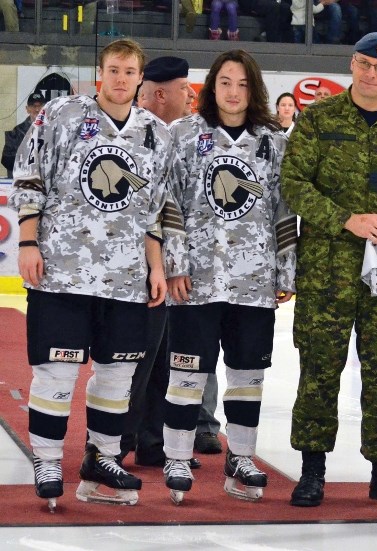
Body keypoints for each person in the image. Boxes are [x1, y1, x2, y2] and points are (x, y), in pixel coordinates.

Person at [10, 38, 172, 510]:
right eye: (114, 69)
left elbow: (155, 210)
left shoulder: (155, 135)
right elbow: (29, 178)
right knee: (56, 372)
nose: (121, 79)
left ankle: (102, 459)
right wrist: (26, 241)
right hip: (62, 270)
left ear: (141, 77)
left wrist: (156, 266)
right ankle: (47, 459)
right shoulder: (62, 115)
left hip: (126, 276)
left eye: (129, 71)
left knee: (117, 375)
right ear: (101, 72)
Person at [281, 32, 377, 508]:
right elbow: (293, 183)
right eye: (364, 64)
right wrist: (343, 219)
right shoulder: (319, 119)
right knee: (319, 370)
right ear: (352, 65)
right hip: (326, 270)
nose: (372, 74)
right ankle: (311, 471)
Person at [160, 49, 296, 505]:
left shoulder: (273, 141)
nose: (233, 92)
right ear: (211, 87)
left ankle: (241, 456)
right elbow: (169, 202)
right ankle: (177, 457)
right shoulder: (183, 135)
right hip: (196, 280)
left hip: (253, 280)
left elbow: (284, 208)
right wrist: (175, 263)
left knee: (246, 374)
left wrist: (286, 269)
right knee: (187, 374)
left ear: (253, 89)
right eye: (225, 82)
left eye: (242, 84)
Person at [114, 56, 207, 469]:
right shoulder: (131, 134)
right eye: (185, 89)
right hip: (135, 266)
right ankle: (113, 440)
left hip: (179, 268)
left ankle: (153, 440)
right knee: (130, 359)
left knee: (168, 359)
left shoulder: (190, 136)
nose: (192, 97)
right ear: (160, 94)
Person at [2, 92, 45, 177]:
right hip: (23, 180)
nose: (37, 109)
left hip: (45, 181)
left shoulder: (52, 130)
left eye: (40, 106)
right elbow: (6, 160)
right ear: (27, 109)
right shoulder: (17, 132)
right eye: (33, 106)